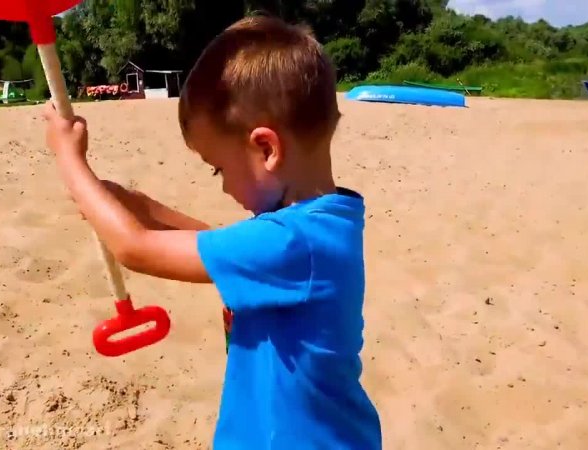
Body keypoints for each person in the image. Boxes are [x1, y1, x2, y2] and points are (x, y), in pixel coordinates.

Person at [43, 14, 382, 450]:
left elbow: (135, 248)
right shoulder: (316, 224)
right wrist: (126, 201)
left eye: (218, 168)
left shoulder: (293, 242)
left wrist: (70, 161)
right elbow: (210, 239)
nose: (222, 186)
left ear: (266, 148)